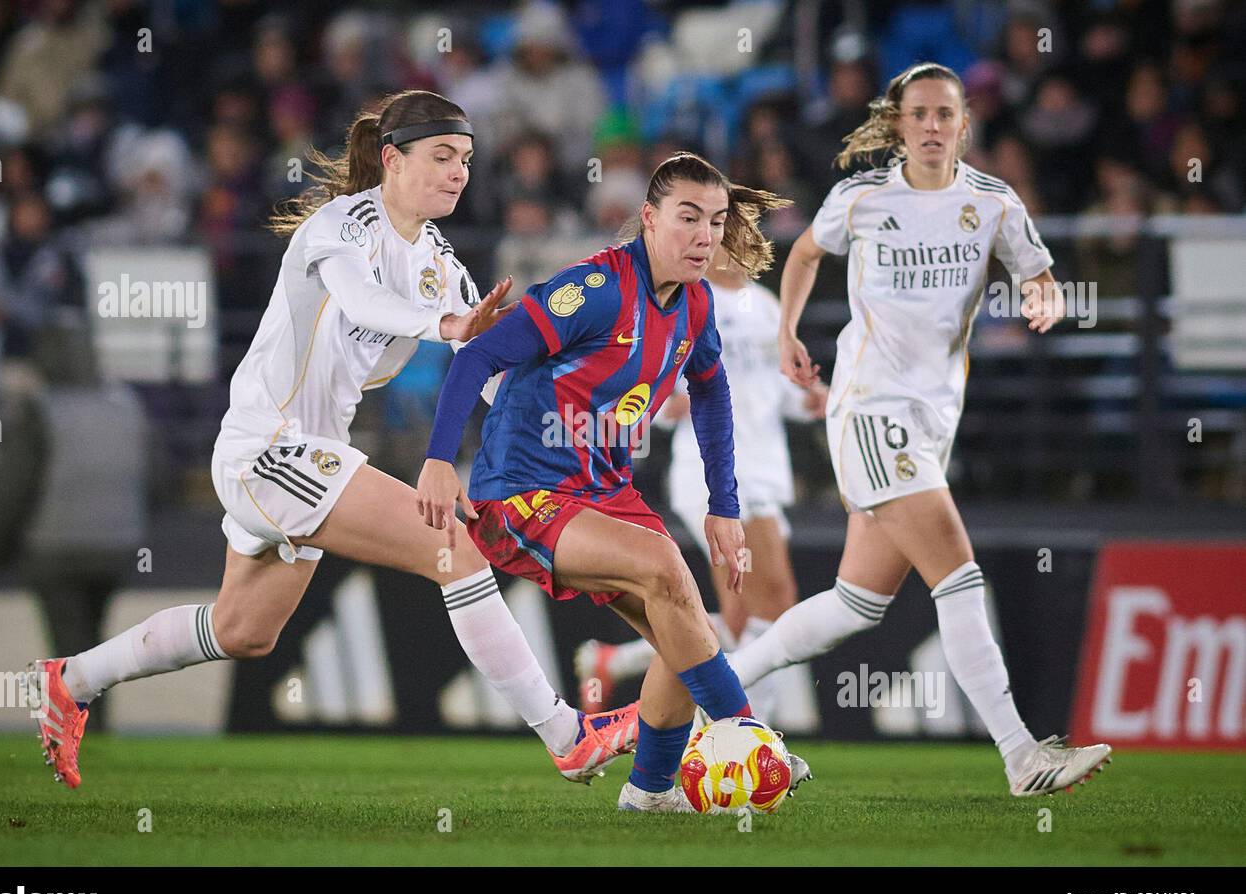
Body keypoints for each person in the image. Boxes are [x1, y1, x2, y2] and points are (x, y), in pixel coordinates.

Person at [30, 90, 637, 790]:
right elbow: (365, 302)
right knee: (454, 548)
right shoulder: (340, 227)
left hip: (311, 458)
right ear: (391, 160)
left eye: (466, 159)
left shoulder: (438, 262)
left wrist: (581, 414)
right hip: (267, 448)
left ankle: (72, 680)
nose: (458, 172)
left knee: (242, 631)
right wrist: (445, 328)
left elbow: (492, 369)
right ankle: (566, 735)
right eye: (441, 156)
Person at [727, 63, 1112, 797]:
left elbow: (1039, 273)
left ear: (965, 124)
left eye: (946, 114)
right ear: (899, 124)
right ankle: (1022, 755)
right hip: (872, 408)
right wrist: (787, 334)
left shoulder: (993, 203)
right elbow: (805, 252)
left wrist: (1044, 298)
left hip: (932, 420)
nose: (933, 126)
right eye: (920, 114)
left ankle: (717, 688)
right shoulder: (864, 197)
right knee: (959, 574)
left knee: (853, 606)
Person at [416, 152, 812, 812]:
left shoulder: (695, 303)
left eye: (714, 222)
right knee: (665, 569)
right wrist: (437, 458)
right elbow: (482, 353)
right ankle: (748, 738)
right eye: (688, 218)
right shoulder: (596, 289)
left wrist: (724, 505)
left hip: (603, 489)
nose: (705, 236)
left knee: (684, 632)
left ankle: (651, 791)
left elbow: (711, 390)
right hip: (522, 489)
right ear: (649, 220)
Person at [575, 251, 827, 725]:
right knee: (773, 601)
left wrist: (810, 398)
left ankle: (620, 666)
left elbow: (779, 392)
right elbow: (648, 380)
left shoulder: (768, 305)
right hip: (716, 476)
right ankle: (750, 734)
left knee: (737, 618)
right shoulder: (688, 300)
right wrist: (663, 402)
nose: (728, 243)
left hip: (763, 473)